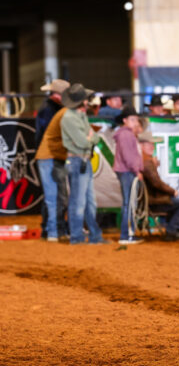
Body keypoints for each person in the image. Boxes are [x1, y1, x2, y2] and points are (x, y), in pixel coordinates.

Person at [60, 84, 107, 245]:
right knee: (79, 202)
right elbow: (83, 141)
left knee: (88, 201)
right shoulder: (69, 118)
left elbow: (91, 138)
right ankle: (78, 236)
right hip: (77, 160)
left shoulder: (77, 116)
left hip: (82, 160)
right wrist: (90, 138)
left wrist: (90, 138)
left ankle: (92, 235)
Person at [138, 129, 179, 241]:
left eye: (153, 144)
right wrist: (172, 191)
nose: (152, 146)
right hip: (154, 201)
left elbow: (155, 183)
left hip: (152, 200)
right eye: (149, 144)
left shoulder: (145, 161)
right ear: (141, 146)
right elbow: (157, 183)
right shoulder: (147, 163)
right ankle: (173, 230)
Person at [34, 79, 71, 242]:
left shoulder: (50, 108)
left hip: (51, 155)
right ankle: (52, 230)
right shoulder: (50, 110)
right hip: (50, 155)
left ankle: (51, 229)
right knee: (55, 196)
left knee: (54, 195)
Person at [113, 105, 145, 244]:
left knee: (130, 202)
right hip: (128, 171)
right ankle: (127, 234)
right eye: (132, 119)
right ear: (125, 120)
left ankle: (128, 233)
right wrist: (136, 170)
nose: (135, 122)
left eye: (136, 120)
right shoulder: (126, 134)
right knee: (129, 203)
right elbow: (128, 156)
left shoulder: (125, 134)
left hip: (126, 171)